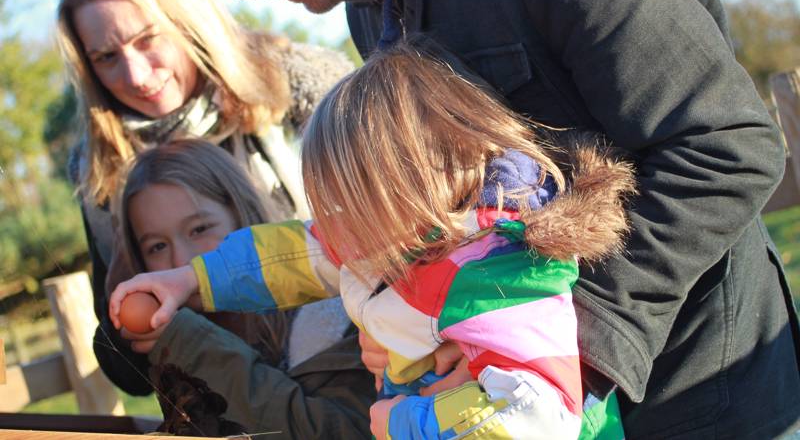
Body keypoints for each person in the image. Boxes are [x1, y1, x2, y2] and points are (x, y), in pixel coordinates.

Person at [155, 0, 800, 437]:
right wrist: (410, 323)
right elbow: (440, 211)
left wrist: (542, 340)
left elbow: (725, 148)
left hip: (700, 388)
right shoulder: (370, 9)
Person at [110, 41, 636, 439]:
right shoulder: (396, 233)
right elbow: (295, 255)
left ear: (403, 183)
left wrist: (404, 422)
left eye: (349, 200)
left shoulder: (494, 275)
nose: (339, 222)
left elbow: (537, 414)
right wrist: (188, 280)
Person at [55, 0, 361, 404]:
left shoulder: (301, 91)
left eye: (146, 39)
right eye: (106, 57)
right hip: (217, 404)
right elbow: (126, 364)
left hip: (351, 376)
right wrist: (137, 335)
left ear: (185, 18)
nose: (135, 75)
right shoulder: (99, 167)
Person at [110, 138, 371, 436]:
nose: (181, 259)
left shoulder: (333, 320)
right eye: (157, 246)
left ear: (243, 216)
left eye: (199, 229)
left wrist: (194, 345)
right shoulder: (170, 341)